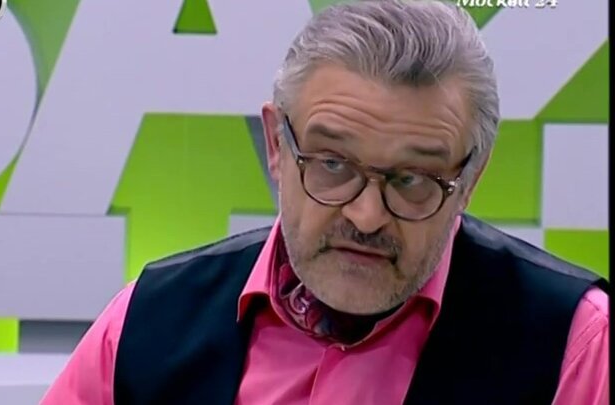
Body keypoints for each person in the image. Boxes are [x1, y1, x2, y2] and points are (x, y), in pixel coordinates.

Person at [41, 1, 609, 404]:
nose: (367, 215)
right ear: (276, 146)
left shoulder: (574, 345)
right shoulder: (147, 321)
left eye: (413, 179)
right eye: (333, 165)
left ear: (470, 179)